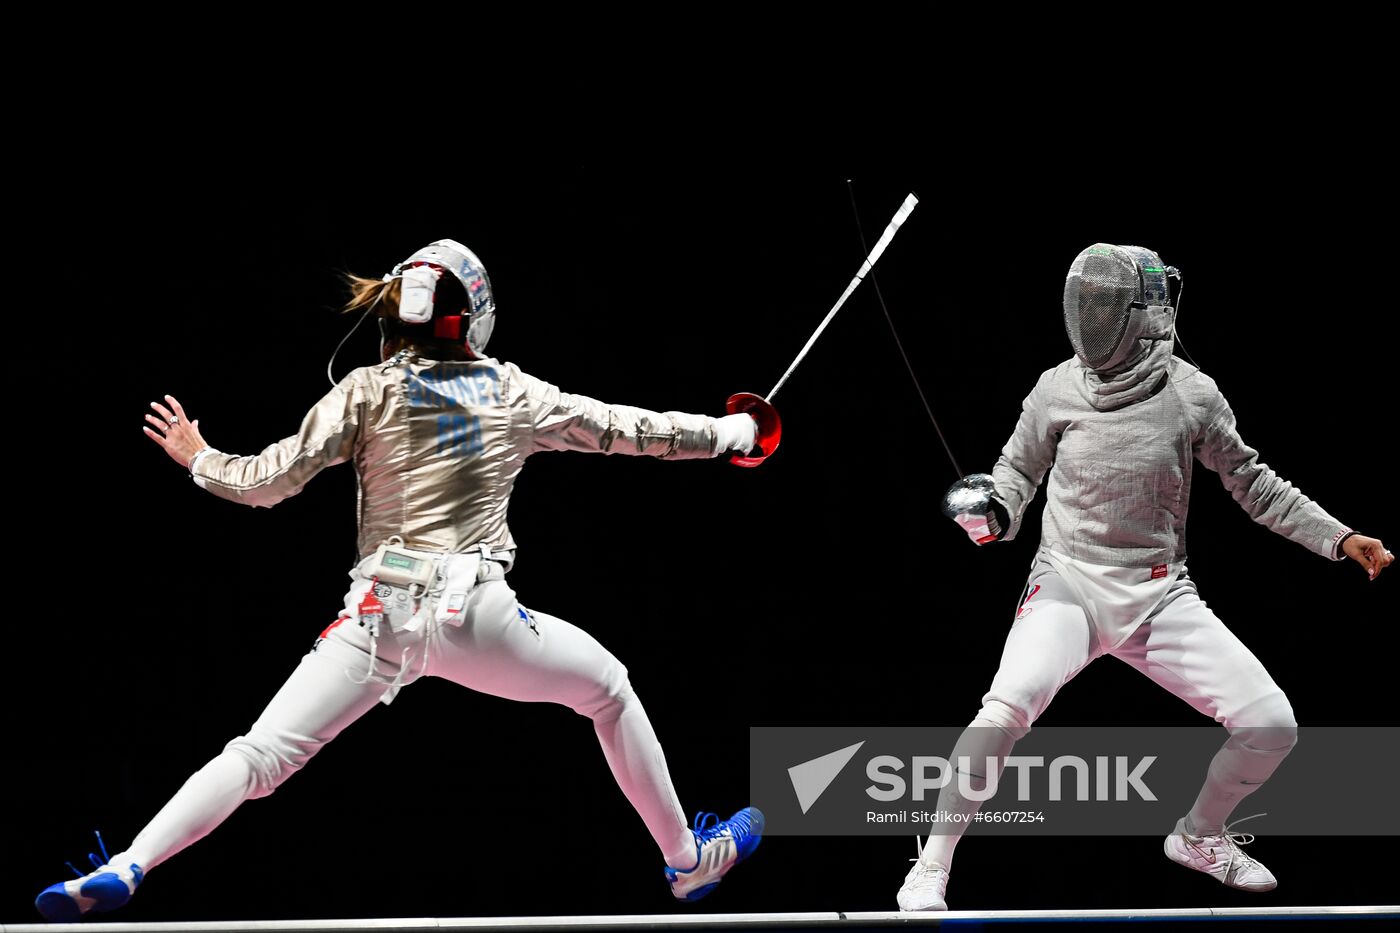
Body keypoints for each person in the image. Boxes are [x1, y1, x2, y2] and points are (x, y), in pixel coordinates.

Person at [36, 239, 767, 922]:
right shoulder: (511, 391)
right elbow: (631, 429)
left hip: (377, 616)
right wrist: (732, 435)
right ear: (474, 317)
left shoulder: (364, 391)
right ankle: (686, 862)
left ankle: (129, 865)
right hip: (475, 617)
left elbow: (265, 483)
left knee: (256, 755)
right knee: (608, 689)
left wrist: (200, 457)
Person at [896, 243, 1393, 912]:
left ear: (1144, 311)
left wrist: (1338, 536)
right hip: (1070, 583)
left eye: (1105, 304)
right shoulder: (1055, 387)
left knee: (1271, 724)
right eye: (1087, 303)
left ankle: (1199, 837)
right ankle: (929, 865)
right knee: (1003, 710)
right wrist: (997, 513)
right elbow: (1015, 473)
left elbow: (1255, 485)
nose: (1092, 316)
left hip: (1160, 593)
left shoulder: (1191, 394)